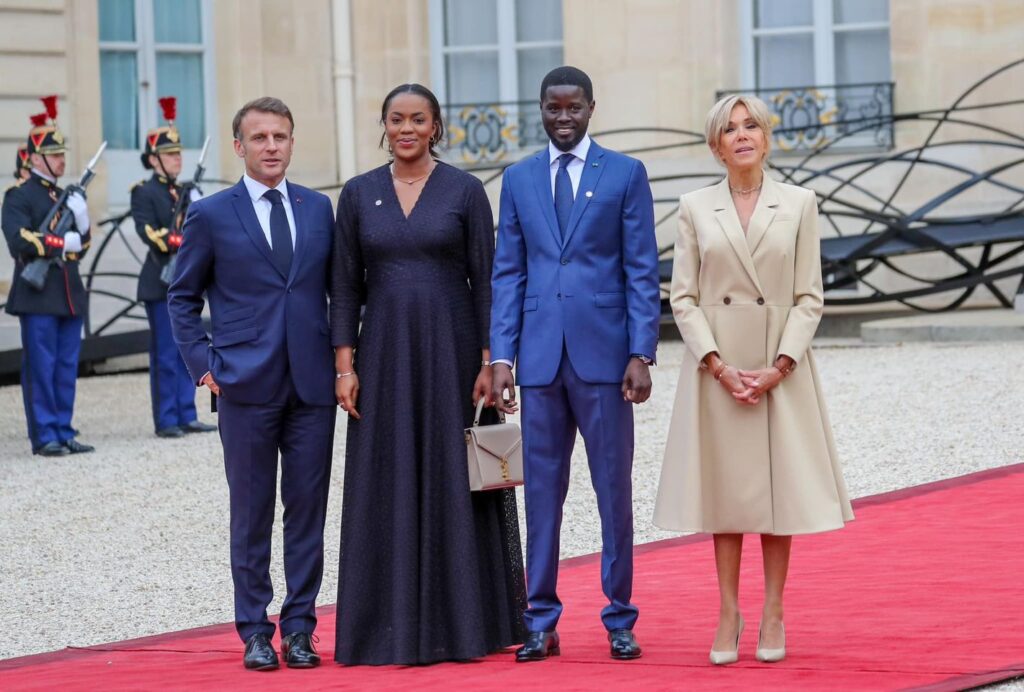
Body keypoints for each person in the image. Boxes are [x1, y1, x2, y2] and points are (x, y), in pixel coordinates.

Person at [653, 94, 854, 665]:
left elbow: (810, 295)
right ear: (716, 145)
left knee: (776, 490)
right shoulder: (695, 206)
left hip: (778, 363)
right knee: (727, 493)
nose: (741, 135)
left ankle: (773, 610)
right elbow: (683, 297)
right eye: (730, 129)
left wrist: (781, 365)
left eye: (751, 126)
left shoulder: (800, 203)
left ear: (766, 137)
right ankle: (727, 611)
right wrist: (716, 364)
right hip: (719, 366)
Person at [331, 83, 526, 665]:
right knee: (385, 476)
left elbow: (487, 281)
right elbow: (344, 287)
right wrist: (344, 366)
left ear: (436, 127)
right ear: (384, 125)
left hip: (453, 353)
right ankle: (383, 627)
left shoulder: (465, 190)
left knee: (458, 476)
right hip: (384, 354)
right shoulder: (358, 193)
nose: (407, 129)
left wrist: (491, 360)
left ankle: (468, 623)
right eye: (397, 119)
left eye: (418, 119)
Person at [490, 66, 661, 662]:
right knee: (542, 494)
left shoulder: (625, 174)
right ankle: (540, 619)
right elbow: (508, 272)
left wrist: (641, 351)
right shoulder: (518, 178)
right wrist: (502, 356)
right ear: (540, 109)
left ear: (591, 108)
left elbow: (641, 268)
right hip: (539, 362)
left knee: (613, 490)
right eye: (553, 107)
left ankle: (619, 617)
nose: (563, 117)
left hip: (606, 360)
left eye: (574, 107)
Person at [168, 97, 336, 671]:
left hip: (312, 387)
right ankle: (255, 630)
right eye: (260, 137)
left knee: (307, 511)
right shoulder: (211, 214)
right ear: (239, 147)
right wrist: (203, 365)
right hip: (243, 384)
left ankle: (300, 628)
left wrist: (345, 364)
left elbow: (336, 292)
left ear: (292, 142)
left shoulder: (318, 209)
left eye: (280, 136)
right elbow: (182, 297)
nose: (271, 146)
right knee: (251, 513)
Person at [1, 99, 95, 456]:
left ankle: (63, 429)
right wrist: (60, 243)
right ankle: (44, 435)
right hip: (38, 293)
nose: (60, 160)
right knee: (41, 367)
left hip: (68, 293)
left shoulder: (65, 196)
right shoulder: (18, 196)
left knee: (66, 367)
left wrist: (82, 221)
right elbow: (18, 239)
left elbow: (82, 247)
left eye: (61, 154)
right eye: (53, 155)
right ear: (35, 159)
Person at [130, 96, 216, 438]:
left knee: (187, 350)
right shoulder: (144, 192)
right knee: (166, 352)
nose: (177, 158)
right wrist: (183, 236)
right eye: (169, 154)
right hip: (160, 280)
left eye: (178, 153)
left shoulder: (185, 190)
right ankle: (167, 418)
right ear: (153, 159)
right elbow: (151, 234)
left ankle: (186, 413)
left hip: (186, 281)